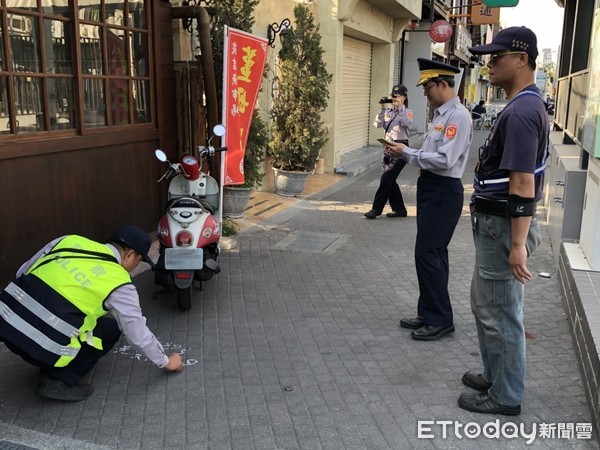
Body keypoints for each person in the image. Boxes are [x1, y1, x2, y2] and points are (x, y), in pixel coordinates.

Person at [459, 26, 548, 416]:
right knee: (486, 306)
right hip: (495, 225)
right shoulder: (520, 106)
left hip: (503, 228)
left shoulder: (524, 111)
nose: (489, 63)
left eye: (497, 57)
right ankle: (495, 375)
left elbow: (523, 181)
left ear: (522, 59)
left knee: (501, 314)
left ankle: (506, 395)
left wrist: (517, 245)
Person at [0, 225, 185, 401]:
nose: (136, 265)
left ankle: (44, 351)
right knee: (111, 329)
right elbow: (136, 331)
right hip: (38, 348)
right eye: (139, 260)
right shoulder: (119, 282)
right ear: (129, 254)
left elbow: (22, 271)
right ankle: (57, 379)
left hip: (5, 324)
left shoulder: (68, 241)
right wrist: (166, 361)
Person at [383, 59, 473, 341]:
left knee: (428, 253)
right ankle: (429, 312)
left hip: (444, 190)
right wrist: (408, 151)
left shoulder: (458, 116)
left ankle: (440, 319)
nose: (425, 94)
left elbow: (446, 160)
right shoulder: (440, 115)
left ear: (444, 85)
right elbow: (433, 151)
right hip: (431, 187)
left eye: (428, 87)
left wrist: (407, 154)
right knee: (432, 254)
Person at [365, 84, 414, 219]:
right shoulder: (388, 112)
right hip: (387, 147)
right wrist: (382, 109)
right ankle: (400, 210)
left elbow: (407, 122)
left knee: (386, 178)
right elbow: (378, 124)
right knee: (390, 180)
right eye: (393, 96)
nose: (395, 98)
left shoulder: (407, 111)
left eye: (398, 96)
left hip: (401, 148)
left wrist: (400, 107)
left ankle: (376, 209)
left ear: (404, 97)